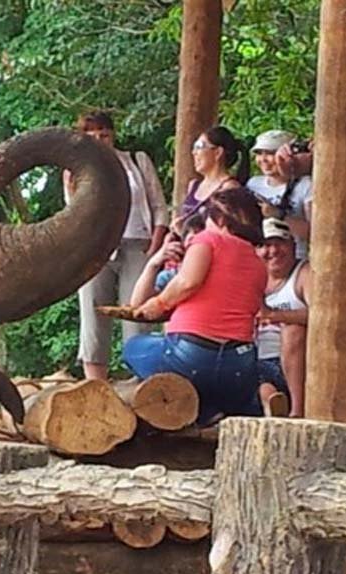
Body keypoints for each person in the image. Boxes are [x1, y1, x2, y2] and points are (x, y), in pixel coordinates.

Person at [122, 188, 267, 425]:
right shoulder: (258, 262)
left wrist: (159, 303)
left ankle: (201, 412)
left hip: (190, 357)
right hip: (240, 366)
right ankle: (225, 409)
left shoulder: (207, 240)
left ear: (220, 220)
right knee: (227, 389)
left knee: (132, 348)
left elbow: (188, 282)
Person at [63, 110, 170, 381]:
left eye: (105, 135)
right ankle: (95, 382)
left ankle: (140, 377)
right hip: (96, 248)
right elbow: (73, 214)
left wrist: (156, 244)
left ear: (113, 136)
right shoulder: (75, 170)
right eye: (93, 135)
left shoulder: (136, 161)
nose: (100, 140)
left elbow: (158, 206)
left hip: (137, 243)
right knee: (93, 311)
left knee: (136, 310)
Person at [255, 218, 312, 418]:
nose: (273, 251)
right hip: (254, 362)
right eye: (265, 245)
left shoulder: (304, 273)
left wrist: (275, 316)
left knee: (293, 330)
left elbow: (321, 315)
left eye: (280, 243)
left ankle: (297, 412)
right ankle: (273, 405)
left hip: (294, 363)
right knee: (264, 389)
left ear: (293, 246)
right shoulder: (251, 277)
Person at [246, 130, 313, 259]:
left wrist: (279, 215)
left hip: (294, 258)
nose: (263, 159)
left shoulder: (305, 185)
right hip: (260, 257)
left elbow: (313, 232)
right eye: (259, 153)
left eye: (271, 153)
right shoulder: (253, 183)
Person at [172, 126, 246, 231]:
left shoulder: (229, 188)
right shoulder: (194, 185)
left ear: (218, 152)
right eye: (194, 147)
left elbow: (228, 231)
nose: (194, 152)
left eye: (199, 146)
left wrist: (185, 232)